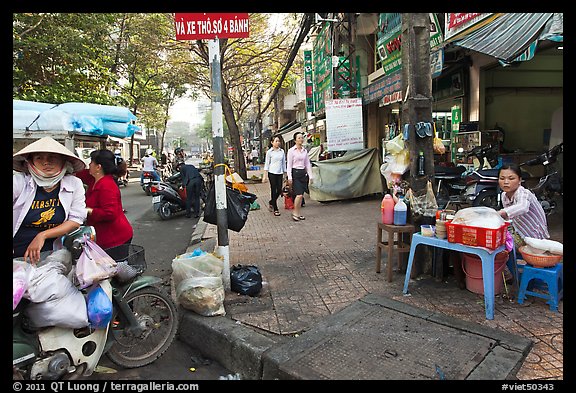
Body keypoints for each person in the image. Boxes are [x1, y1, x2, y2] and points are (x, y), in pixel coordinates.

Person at [13, 137, 88, 264]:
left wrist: (42, 235)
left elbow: (75, 220)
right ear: (30, 162)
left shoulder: (74, 183)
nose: (46, 162)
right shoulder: (18, 182)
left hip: (54, 254)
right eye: (39, 158)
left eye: (52, 157)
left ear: (63, 162)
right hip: (18, 253)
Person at [76, 149, 133, 250]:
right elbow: (78, 173)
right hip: (102, 236)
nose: (89, 164)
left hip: (115, 238)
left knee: (114, 265)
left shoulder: (107, 186)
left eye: (91, 162)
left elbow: (110, 213)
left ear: (98, 167)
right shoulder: (93, 179)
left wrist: (88, 210)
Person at [497, 163, 549, 249]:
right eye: (502, 178)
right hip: (519, 232)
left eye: (511, 178)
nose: (506, 182)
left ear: (519, 180)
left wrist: (502, 212)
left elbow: (522, 207)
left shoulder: (523, 192)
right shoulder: (504, 196)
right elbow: (510, 219)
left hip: (535, 236)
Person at [286, 131, 313, 222]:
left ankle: (298, 212)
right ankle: (295, 213)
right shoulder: (291, 151)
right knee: (299, 194)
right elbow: (289, 165)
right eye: (299, 138)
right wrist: (289, 177)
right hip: (295, 173)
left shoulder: (304, 151)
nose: (301, 139)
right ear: (295, 140)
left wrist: (311, 176)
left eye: (302, 138)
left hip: (303, 174)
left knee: (301, 195)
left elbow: (307, 164)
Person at [262, 136, 287, 217]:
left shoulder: (282, 151)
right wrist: (265, 176)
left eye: (278, 141)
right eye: (276, 141)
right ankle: (275, 208)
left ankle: (271, 202)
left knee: (280, 190)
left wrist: (285, 173)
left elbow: (283, 163)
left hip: (279, 173)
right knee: (273, 189)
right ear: (272, 142)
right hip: (272, 173)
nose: (278, 142)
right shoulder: (269, 152)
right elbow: (266, 164)